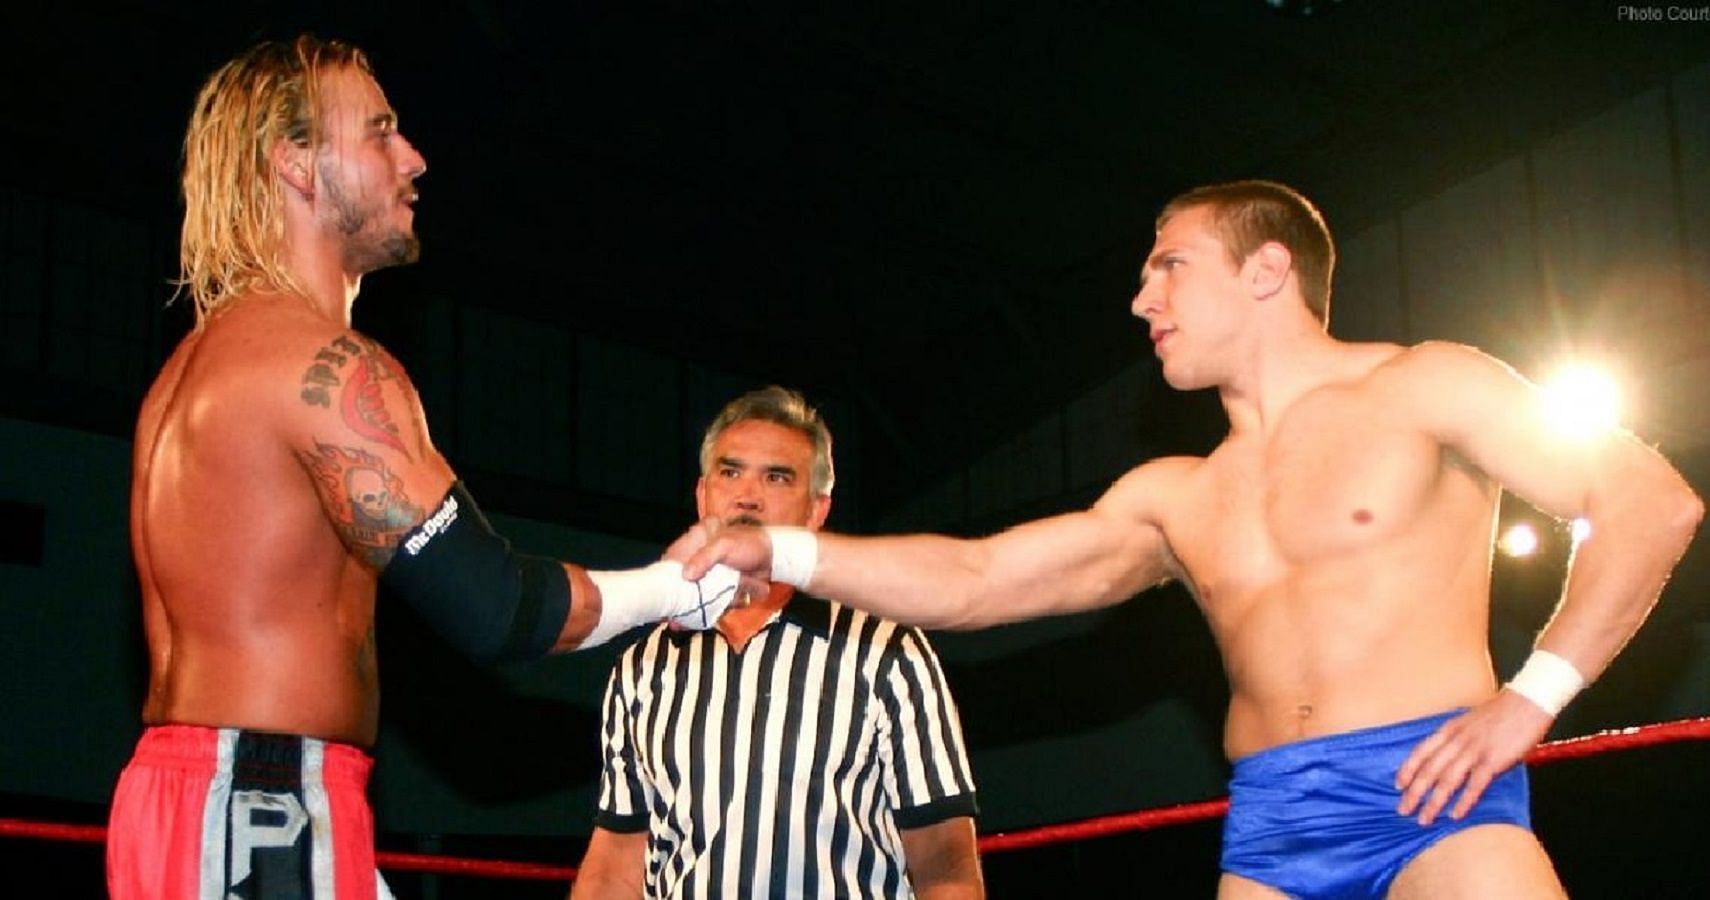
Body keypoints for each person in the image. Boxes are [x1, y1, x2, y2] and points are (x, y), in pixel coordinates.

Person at [679, 181, 1704, 898]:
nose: (1141, 300)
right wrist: (785, 553)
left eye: (1169, 265)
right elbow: (978, 578)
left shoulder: (1426, 384)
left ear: (1267, 270)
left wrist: (1533, 700)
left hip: (1435, 792)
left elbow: (1652, 504)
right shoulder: (1177, 494)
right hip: (1267, 828)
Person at [109, 35, 736, 900]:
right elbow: (496, 607)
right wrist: (679, 588)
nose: (414, 157)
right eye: (379, 132)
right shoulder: (321, 366)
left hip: (216, 796)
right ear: (296, 162)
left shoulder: (188, 372)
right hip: (259, 804)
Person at [570, 386, 984, 899]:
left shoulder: (886, 648)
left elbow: (945, 861)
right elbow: (617, 860)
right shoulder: (644, 665)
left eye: (776, 477)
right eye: (730, 471)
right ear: (703, 495)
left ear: (816, 510)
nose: (747, 495)